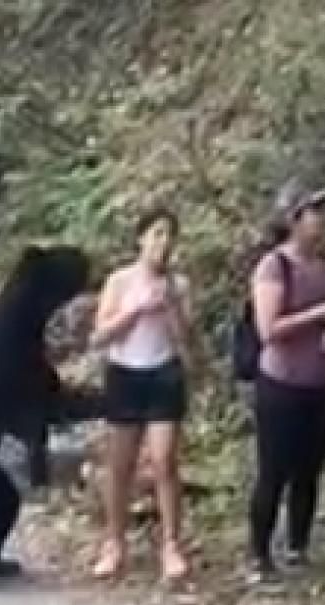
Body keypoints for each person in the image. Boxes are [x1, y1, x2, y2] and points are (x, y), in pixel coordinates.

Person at [246, 177, 325, 586]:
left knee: (310, 468)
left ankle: (298, 546)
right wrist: (317, 315)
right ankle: (259, 554)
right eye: (314, 211)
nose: (322, 219)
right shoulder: (275, 267)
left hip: (322, 382)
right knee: (274, 469)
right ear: (293, 218)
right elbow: (268, 328)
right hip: (281, 384)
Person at [89, 207, 192, 582]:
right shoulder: (119, 281)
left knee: (165, 461)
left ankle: (171, 545)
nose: (163, 243)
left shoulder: (179, 285)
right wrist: (134, 310)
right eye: (157, 234)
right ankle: (114, 543)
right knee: (120, 464)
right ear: (141, 238)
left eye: (170, 235)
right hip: (124, 374)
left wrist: (171, 306)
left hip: (164, 373)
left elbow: (186, 338)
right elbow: (99, 336)